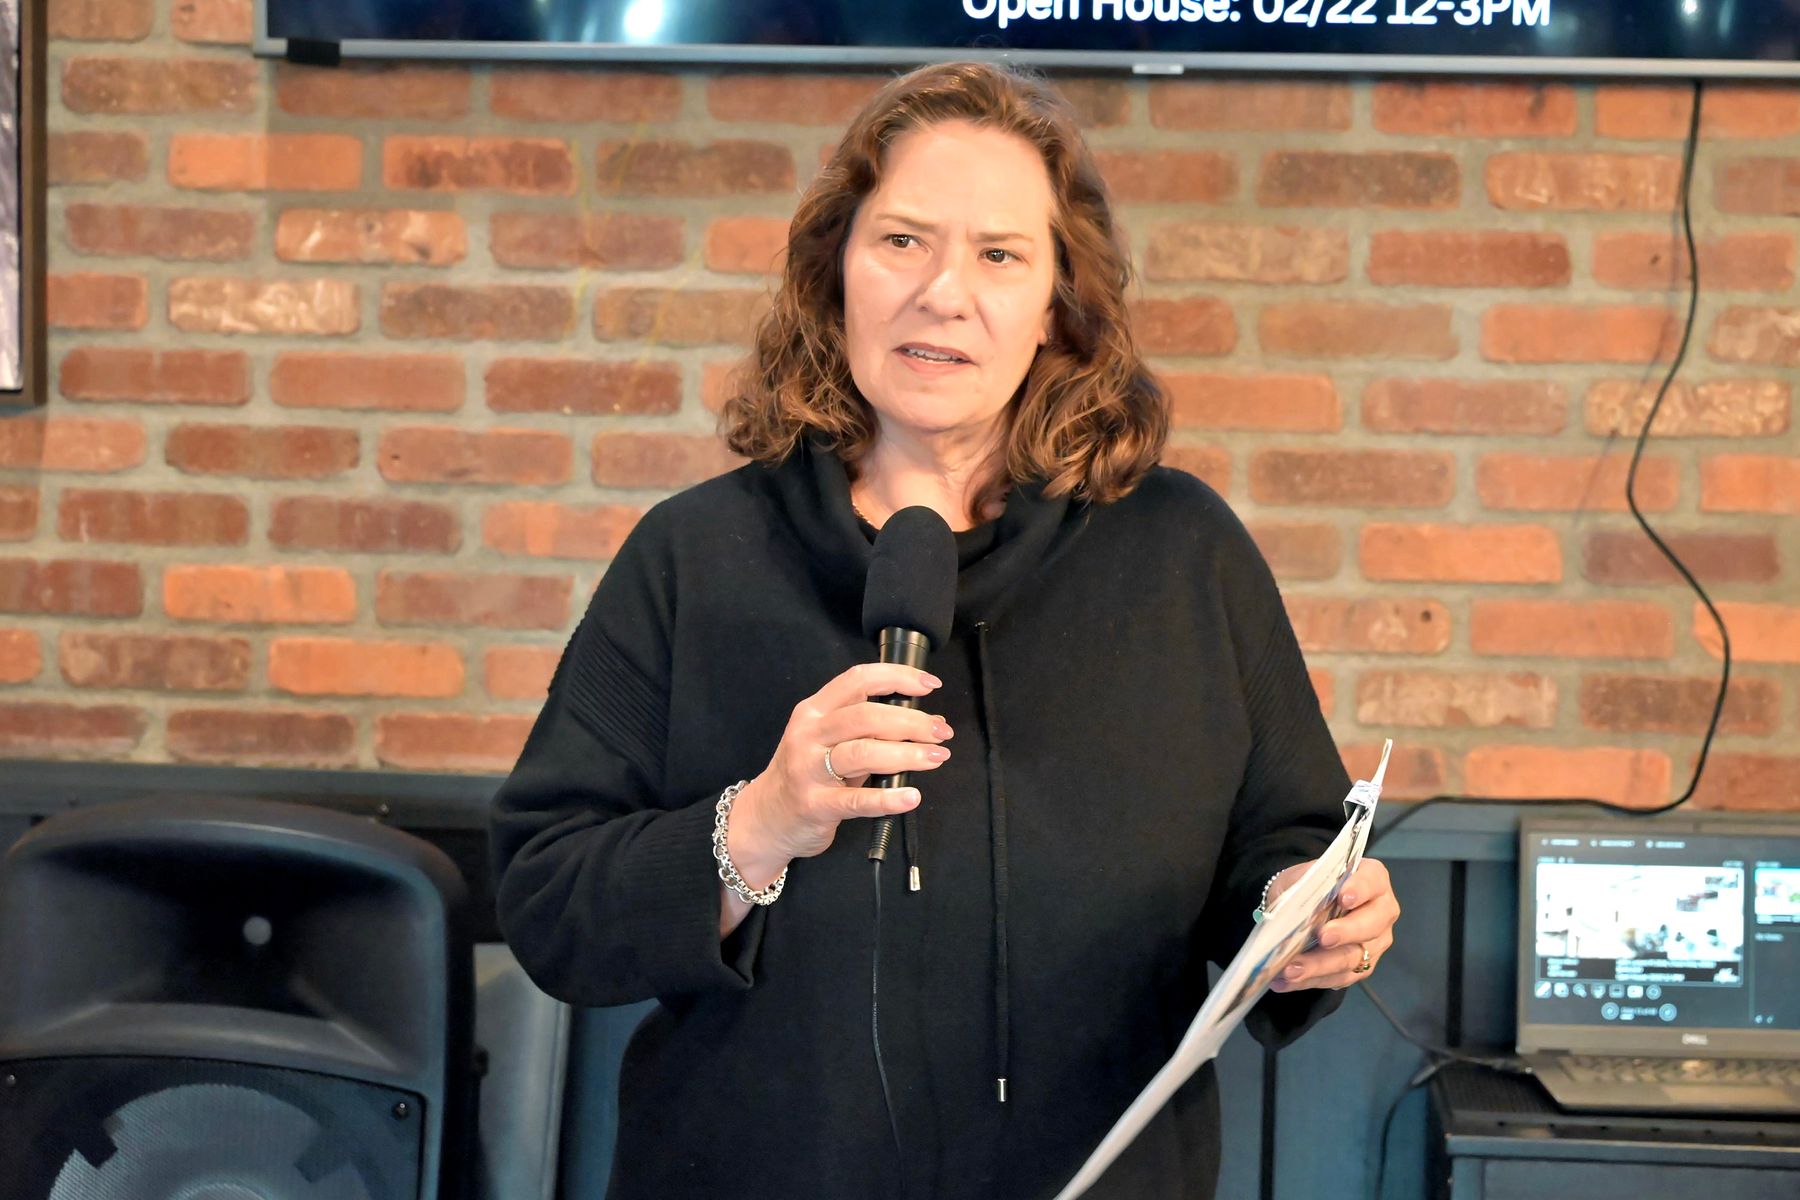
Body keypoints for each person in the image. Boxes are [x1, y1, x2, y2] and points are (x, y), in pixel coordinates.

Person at [490, 60, 1402, 1200]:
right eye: (902, 241)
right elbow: (550, 901)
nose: (943, 293)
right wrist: (757, 825)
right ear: (835, 273)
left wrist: (1313, 920)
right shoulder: (694, 556)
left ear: (1059, 305)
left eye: (1000, 256)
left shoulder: (1184, 555)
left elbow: (1287, 854)